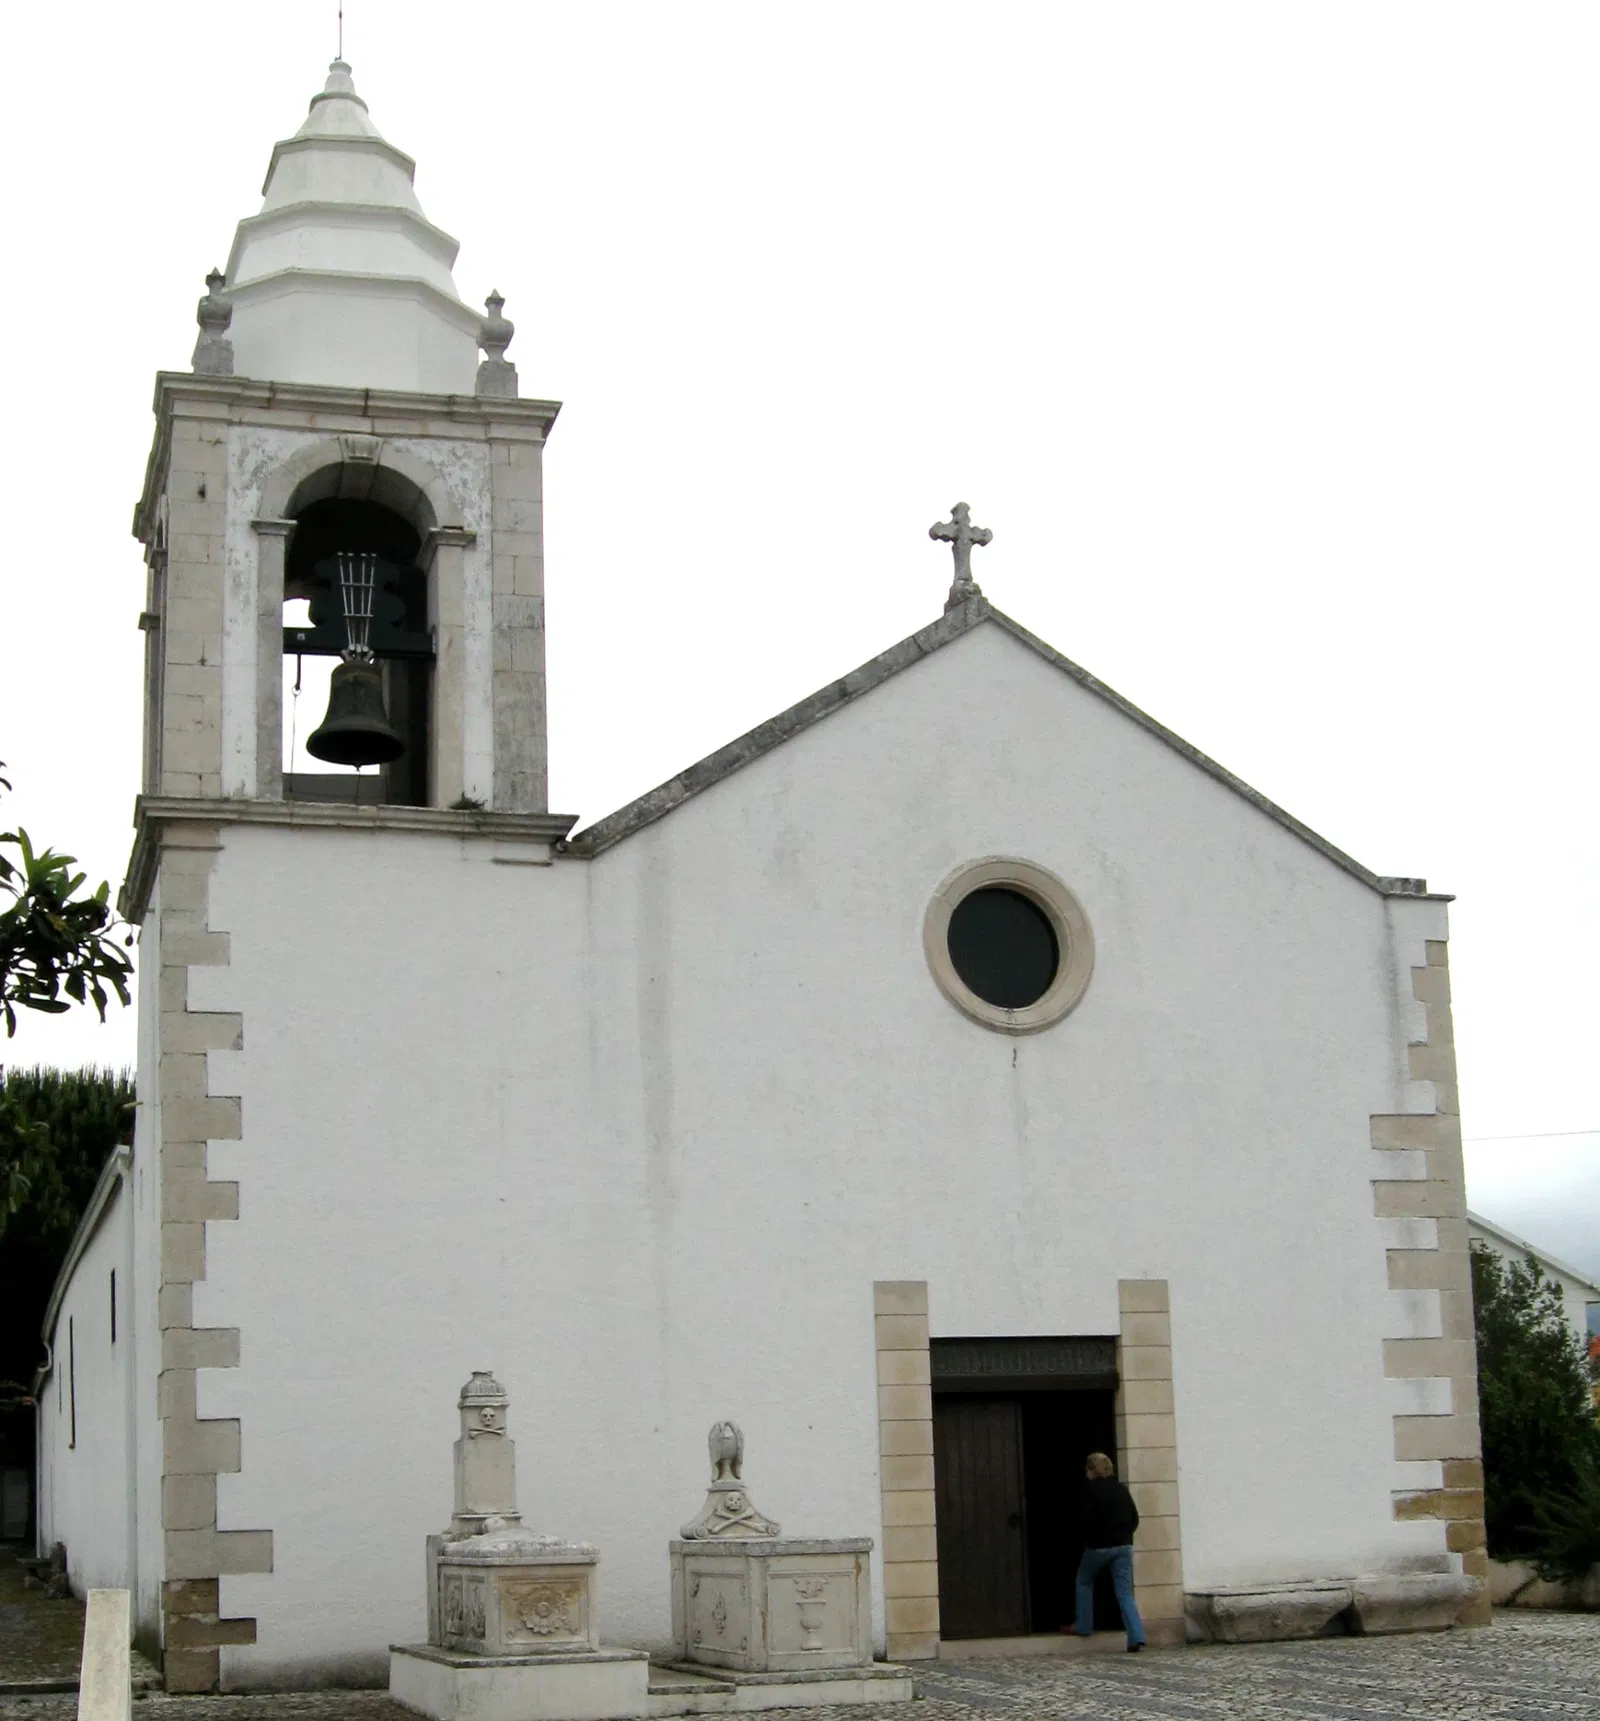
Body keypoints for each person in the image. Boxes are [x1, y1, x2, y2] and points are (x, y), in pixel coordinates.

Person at [1061, 1450, 1145, 1651]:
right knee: (1124, 1593)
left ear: (1091, 1470)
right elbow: (1134, 1518)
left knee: (1084, 1580)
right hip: (1124, 1547)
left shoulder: (1091, 1491)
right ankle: (1136, 1636)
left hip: (1098, 1547)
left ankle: (1084, 1625)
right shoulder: (1121, 1490)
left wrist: (1088, 1538)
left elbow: (1084, 1520)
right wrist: (1124, 1535)